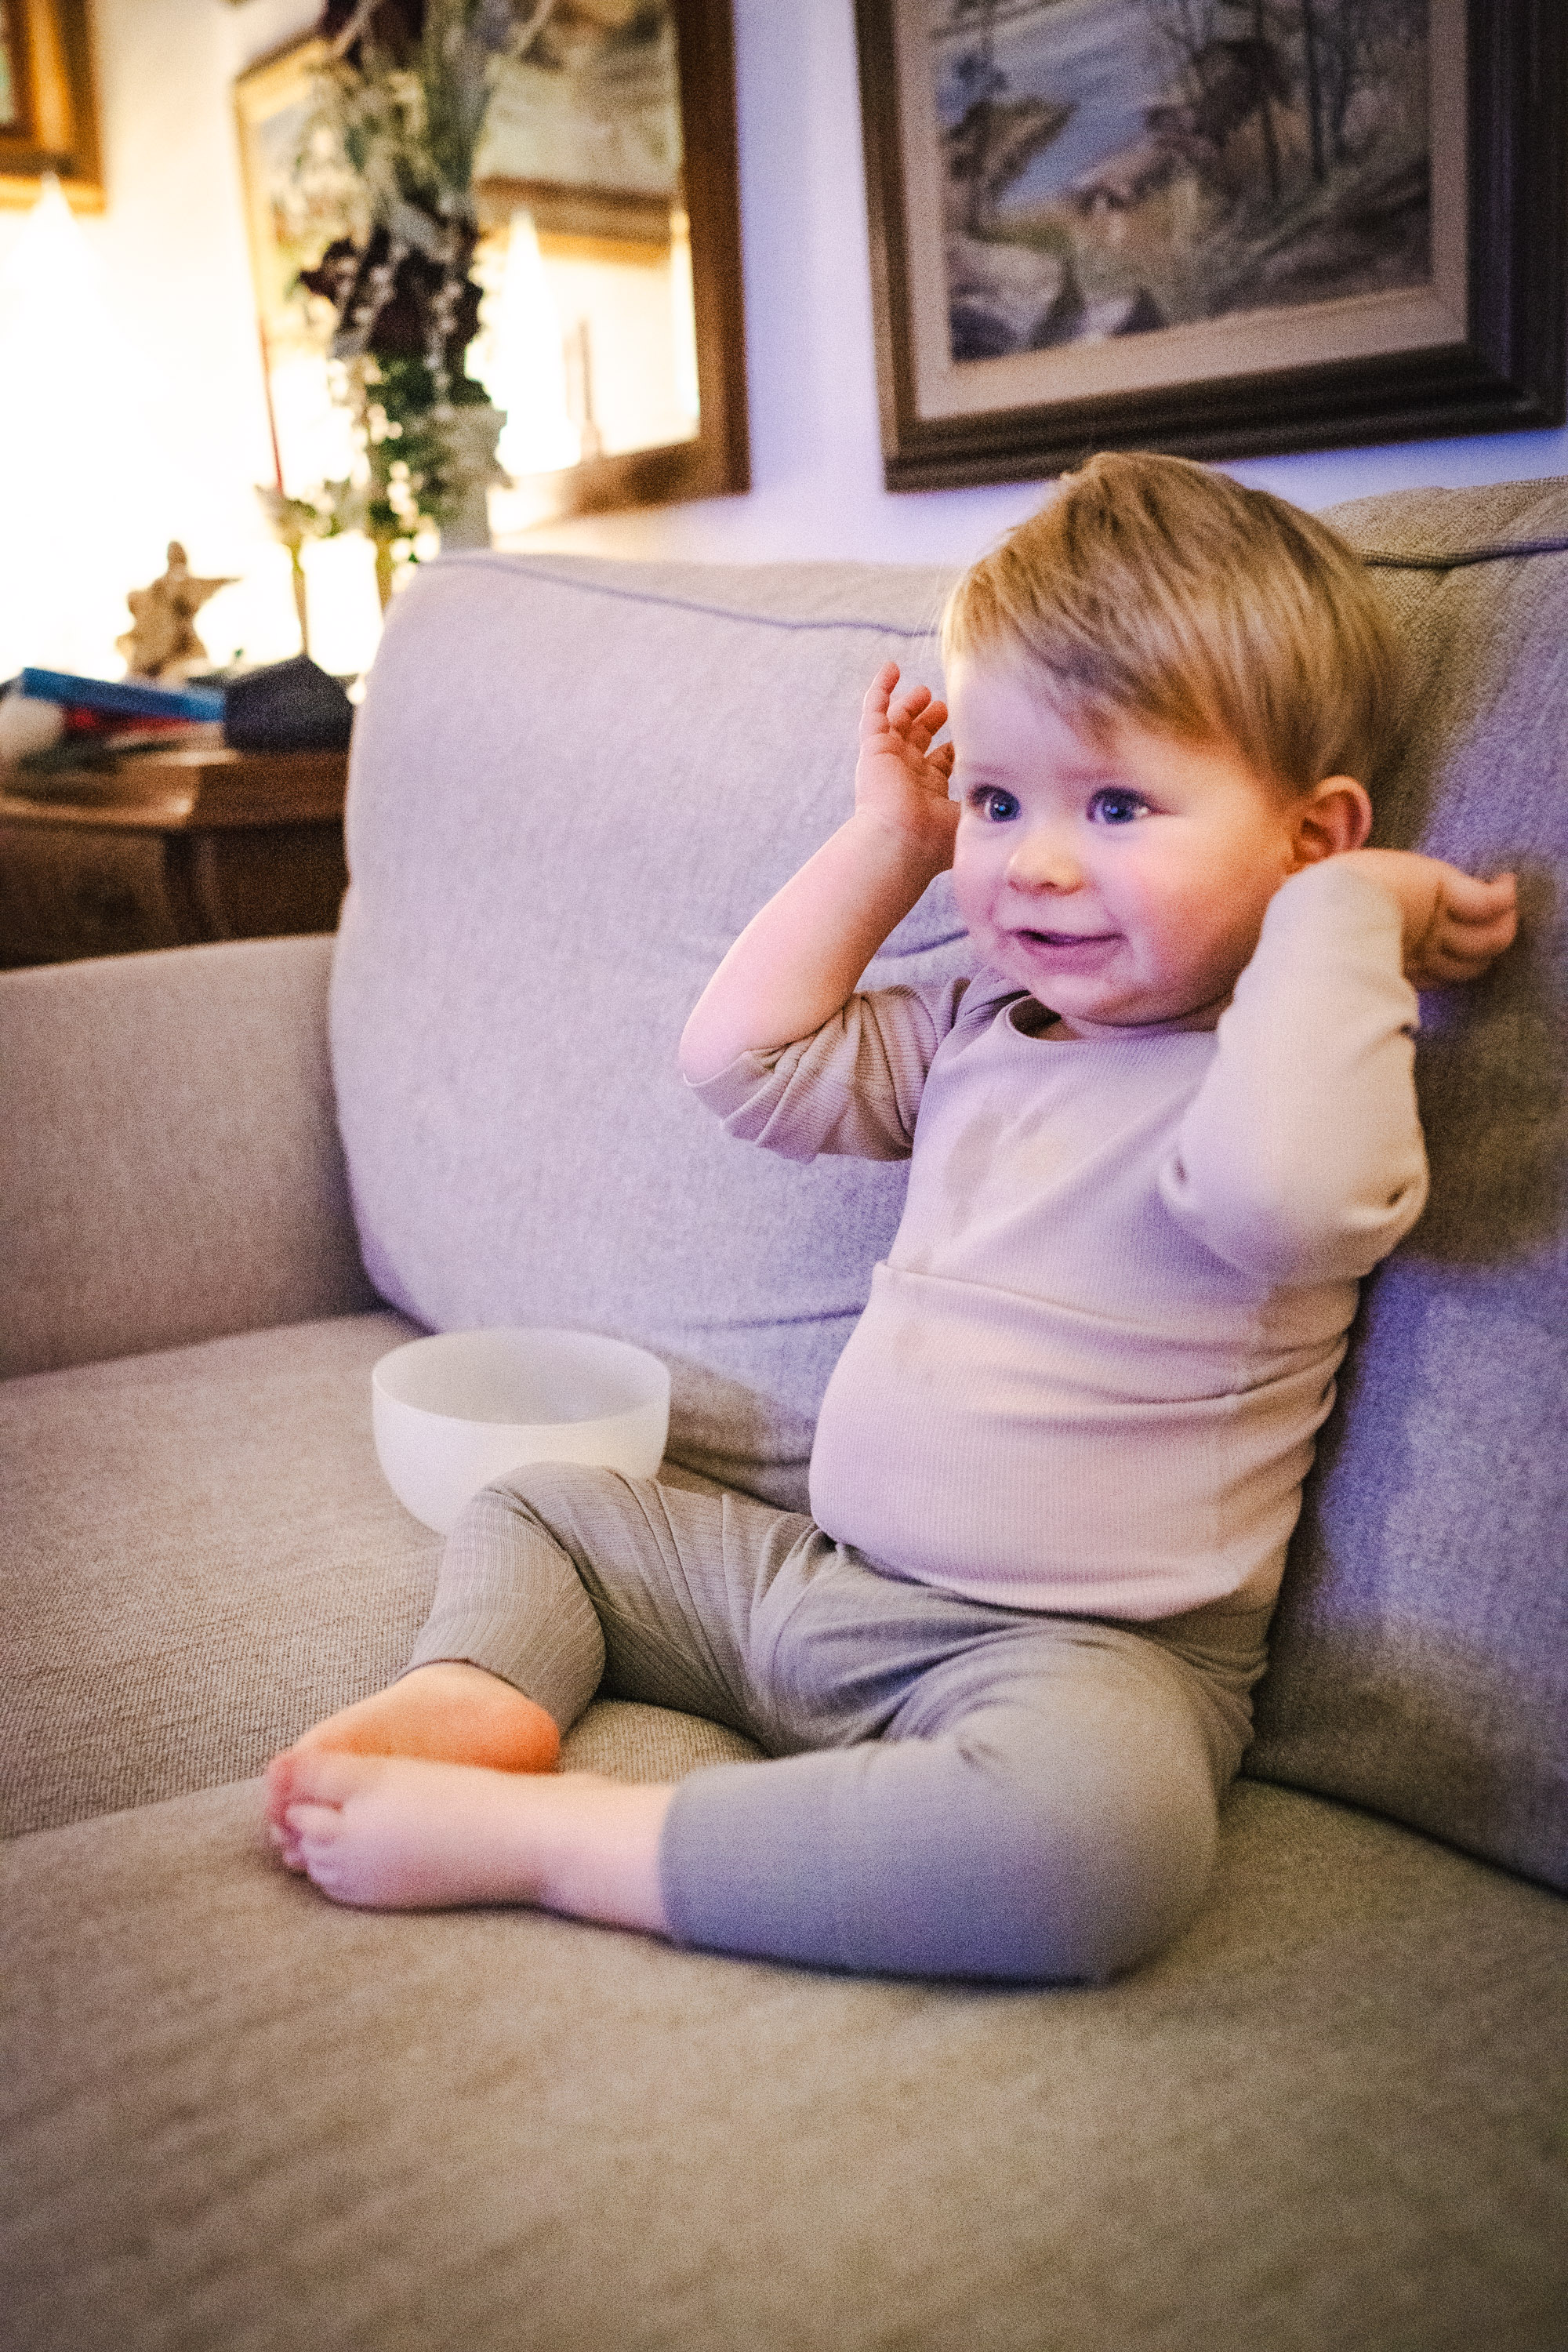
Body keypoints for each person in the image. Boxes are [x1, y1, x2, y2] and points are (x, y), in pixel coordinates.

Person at [265, 453, 1518, 1981]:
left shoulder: (1287, 1065)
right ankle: (474, 1700)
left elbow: (1287, 1201)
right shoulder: (980, 1025)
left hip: (1085, 1667)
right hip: (823, 1585)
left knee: (1099, 1849)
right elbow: (742, 1064)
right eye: (998, 799)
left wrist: (1343, 920)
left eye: (1116, 802)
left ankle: (563, 1845)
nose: (1035, 861)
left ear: (1313, 839)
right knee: (546, 1507)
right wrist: (892, 843)